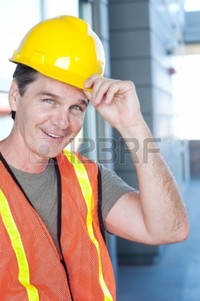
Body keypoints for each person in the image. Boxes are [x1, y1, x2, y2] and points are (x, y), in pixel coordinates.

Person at [0, 15, 189, 301]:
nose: (62, 122)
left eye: (77, 107)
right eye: (49, 100)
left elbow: (170, 229)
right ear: (16, 96)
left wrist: (132, 124)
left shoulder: (87, 178)